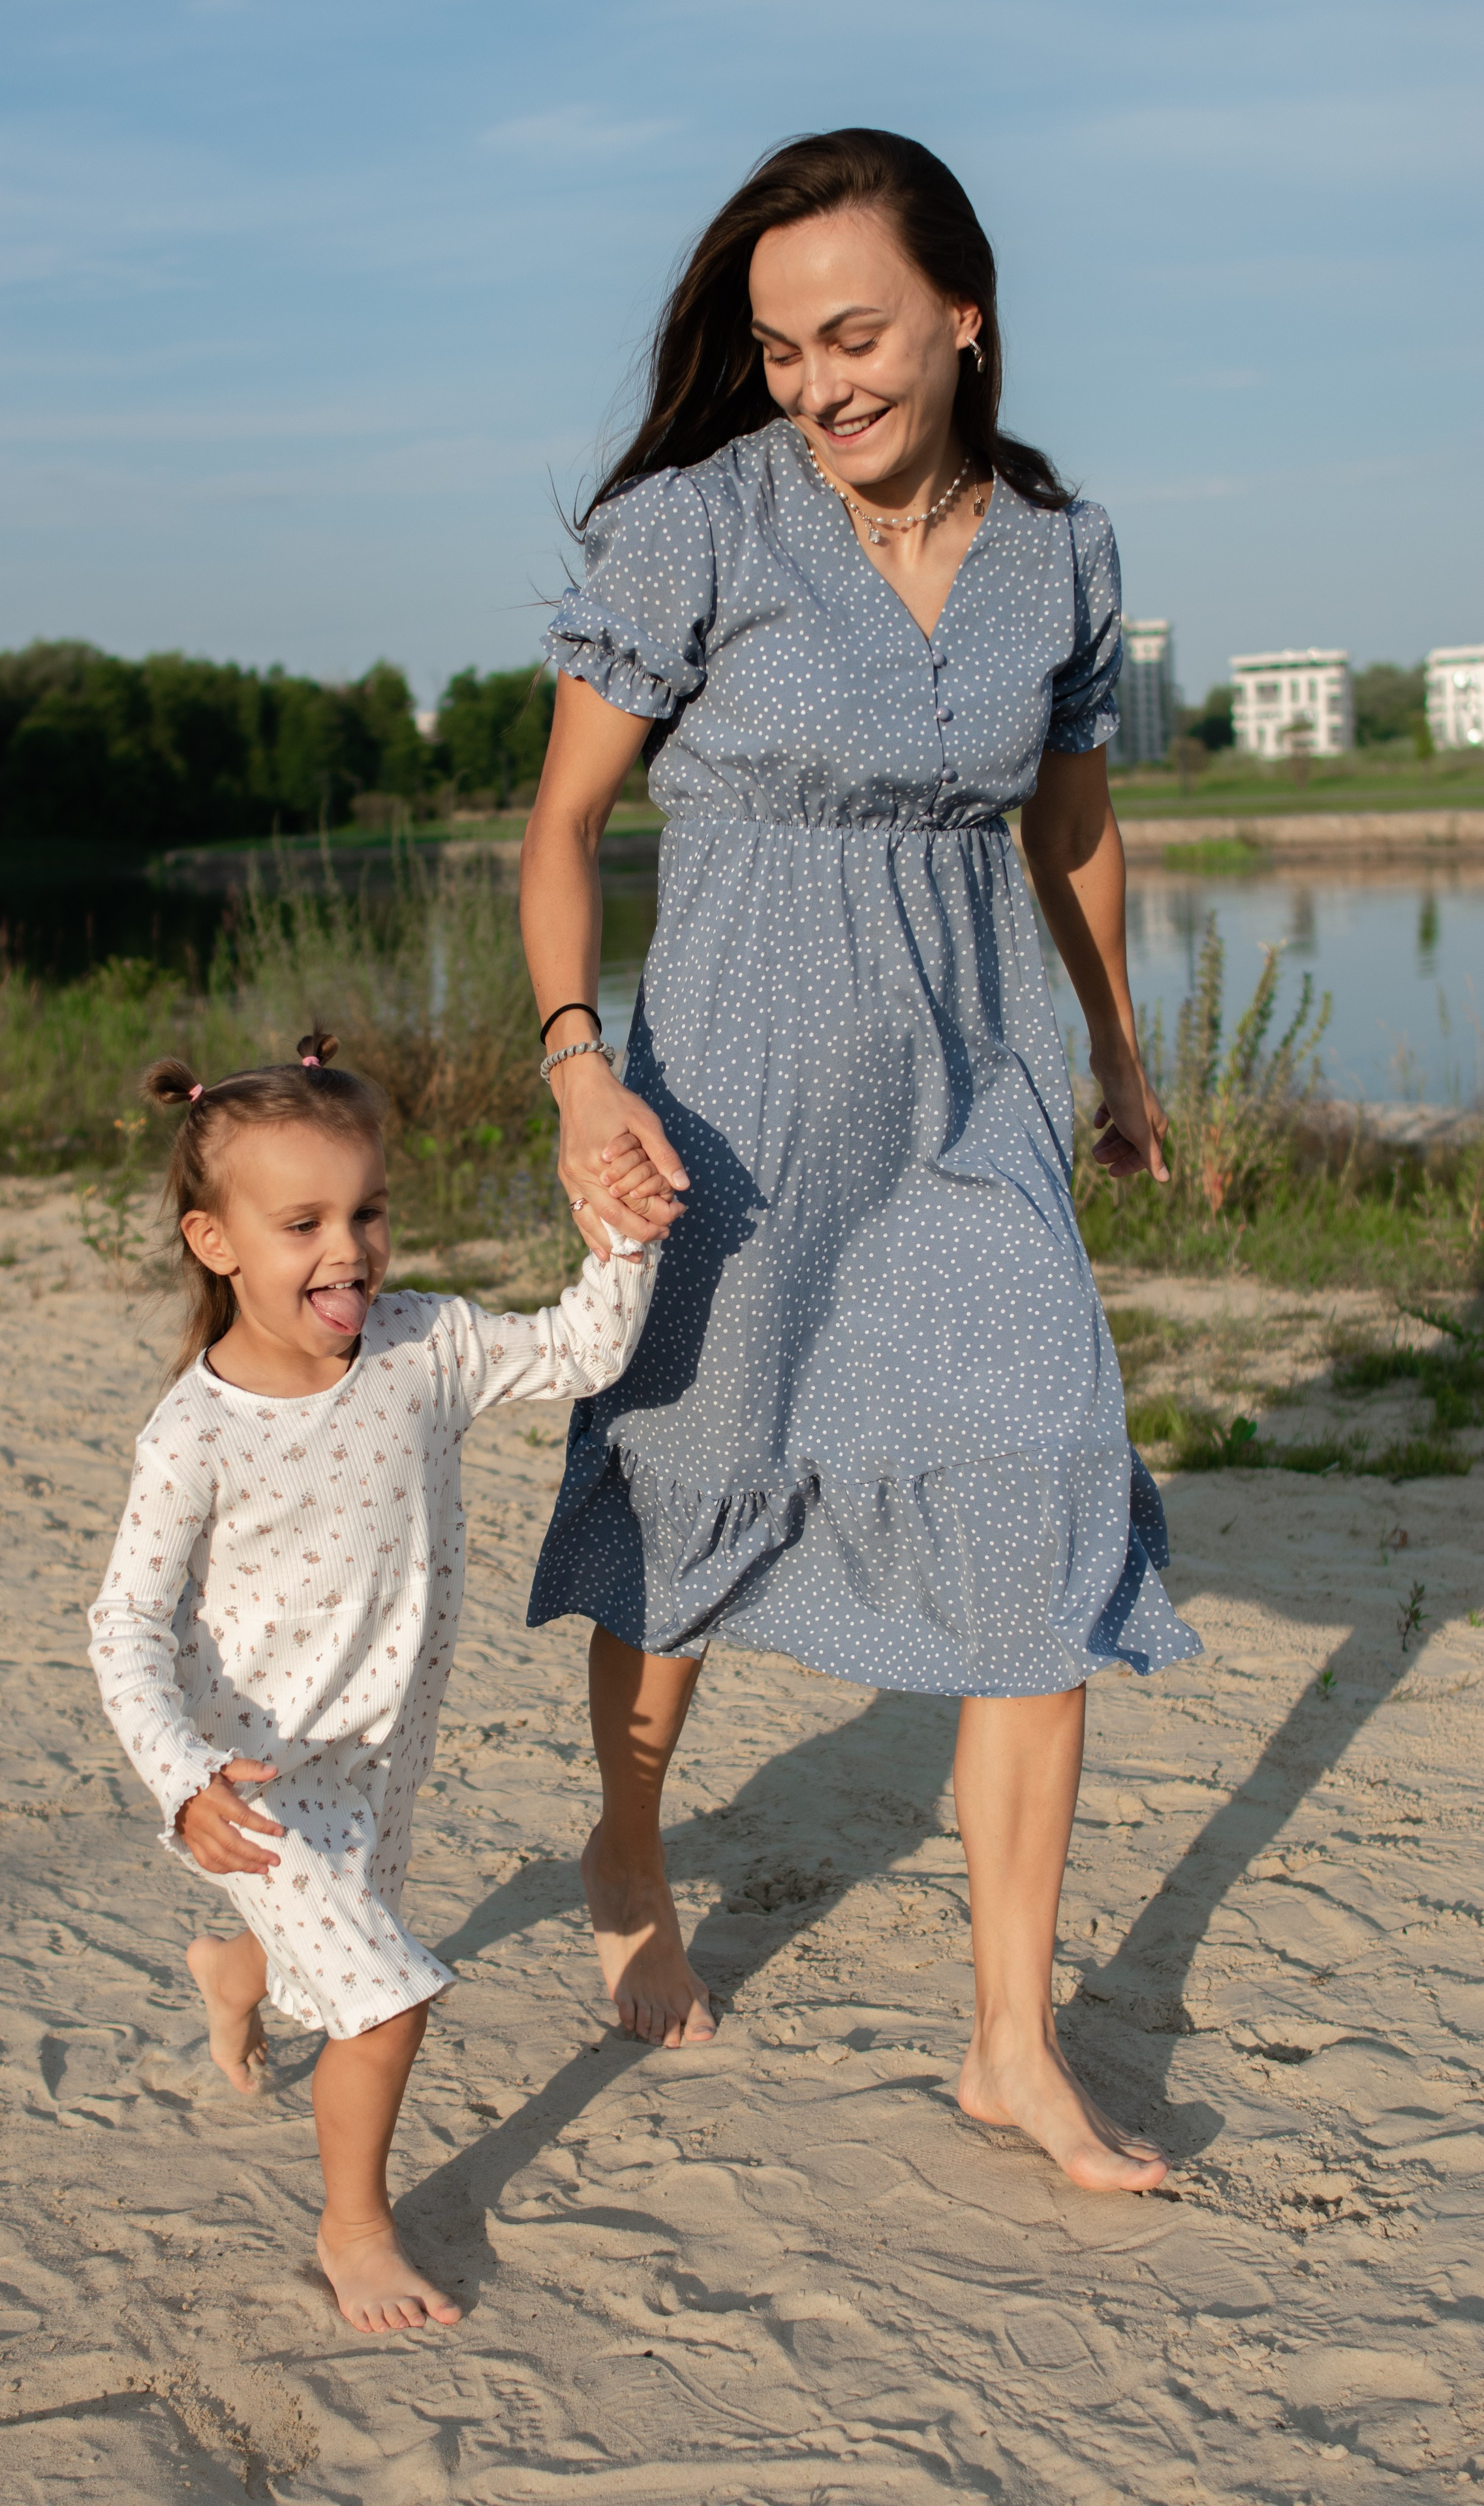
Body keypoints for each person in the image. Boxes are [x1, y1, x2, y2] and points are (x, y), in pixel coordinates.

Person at [518, 129, 1201, 2194]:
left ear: (964, 316)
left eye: (856, 335)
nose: (817, 381)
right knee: (695, 1497)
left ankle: (1014, 2038)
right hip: (720, 1102)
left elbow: (1067, 824)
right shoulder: (692, 531)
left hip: (967, 1100)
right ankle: (630, 1840)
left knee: (1050, 1497)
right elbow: (557, 835)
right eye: (781, 345)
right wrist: (575, 1073)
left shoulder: (1060, 560)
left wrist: (1121, 1053)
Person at [87, 1034, 657, 2332]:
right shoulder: (194, 1434)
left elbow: (580, 1352)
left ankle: (233, 1975)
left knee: (328, 1958)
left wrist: (621, 1243)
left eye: (364, 1213)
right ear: (214, 1241)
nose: (345, 1249)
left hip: (382, 1757)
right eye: (301, 1224)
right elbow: (122, 1623)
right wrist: (181, 1781)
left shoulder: (424, 1348)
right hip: (255, 1787)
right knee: (387, 1995)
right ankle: (355, 2230)